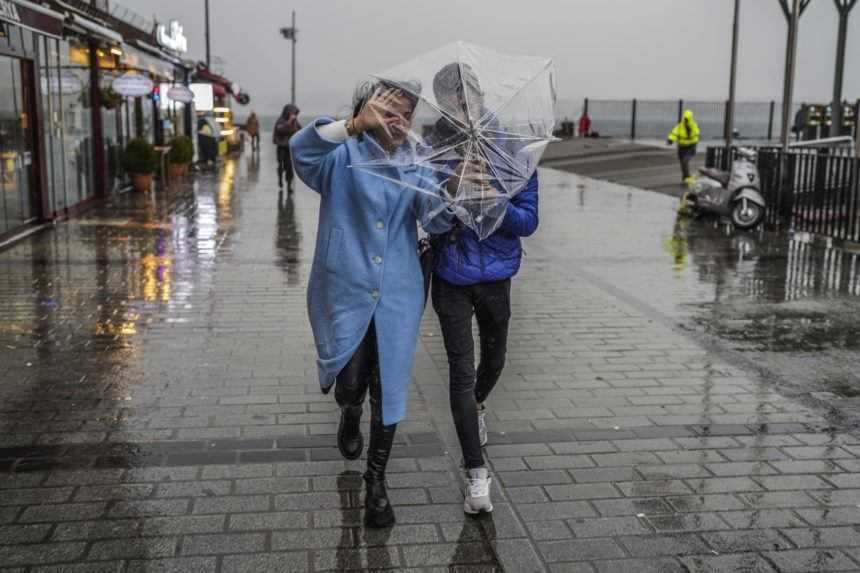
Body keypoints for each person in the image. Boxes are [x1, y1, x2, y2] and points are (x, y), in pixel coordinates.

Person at [289, 81, 453, 528]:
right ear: (368, 112)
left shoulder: (415, 162)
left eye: (406, 115)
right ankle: (349, 410)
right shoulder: (341, 156)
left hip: (398, 292)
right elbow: (301, 153)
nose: (399, 123)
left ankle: (376, 483)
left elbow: (434, 219)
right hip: (344, 284)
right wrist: (352, 125)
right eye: (390, 113)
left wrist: (452, 189)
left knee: (390, 387)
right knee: (352, 381)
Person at [428, 62, 540, 515]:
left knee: (494, 361)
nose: (457, 103)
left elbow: (529, 221)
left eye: (463, 93)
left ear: (476, 94)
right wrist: (453, 196)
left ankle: (475, 407)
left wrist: (492, 202)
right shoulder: (432, 148)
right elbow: (425, 216)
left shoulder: (512, 147)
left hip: (496, 277)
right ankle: (477, 473)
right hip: (451, 274)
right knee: (461, 370)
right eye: (448, 97)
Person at [667, 109, 700, 184]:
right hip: (682, 146)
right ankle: (685, 177)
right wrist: (670, 139)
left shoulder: (693, 125)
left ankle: (687, 176)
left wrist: (690, 128)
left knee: (685, 161)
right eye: (685, 118)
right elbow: (674, 132)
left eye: (687, 119)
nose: (685, 120)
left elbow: (696, 132)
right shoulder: (680, 126)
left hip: (691, 146)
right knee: (682, 162)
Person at [274, 104, 301, 191]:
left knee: (289, 167)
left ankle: (289, 184)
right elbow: (280, 129)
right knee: (280, 165)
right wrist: (289, 122)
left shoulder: (295, 122)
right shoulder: (280, 120)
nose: (293, 115)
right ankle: (280, 179)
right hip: (281, 147)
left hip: (290, 148)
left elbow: (301, 131)